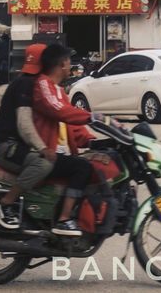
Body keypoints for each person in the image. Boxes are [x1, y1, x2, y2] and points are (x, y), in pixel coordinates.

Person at [32, 43, 97, 237]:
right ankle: (64, 219)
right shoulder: (42, 84)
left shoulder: (60, 91)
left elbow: (73, 128)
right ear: (62, 64)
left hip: (62, 153)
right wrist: (92, 116)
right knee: (82, 168)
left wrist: (95, 141)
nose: (71, 66)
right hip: (46, 154)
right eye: (69, 62)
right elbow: (59, 111)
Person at [0, 43, 52, 229]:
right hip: (6, 147)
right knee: (43, 163)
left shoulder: (24, 81)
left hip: (13, 146)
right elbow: (24, 124)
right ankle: (6, 203)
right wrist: (43, 148)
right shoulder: (26, 85)